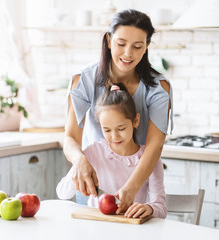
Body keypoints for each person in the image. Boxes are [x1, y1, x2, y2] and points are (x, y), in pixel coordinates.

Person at [63, 9, 173, 213]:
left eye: (137, 46)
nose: (128, 54)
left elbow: (155, 146)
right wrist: (79, 160)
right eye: (121, 44)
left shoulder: (159, 88)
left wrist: (132, 187)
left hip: (137, 188)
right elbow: (70, 137)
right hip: (92, 185)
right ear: (108, 40)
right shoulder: (83, 81)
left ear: (147, 45)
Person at [58, 84, 167, 219]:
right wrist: (78, 168)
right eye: (107, 130)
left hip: (131, 228)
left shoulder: (149, 159)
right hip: (96, 227)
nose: (114, 137)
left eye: (121, 128)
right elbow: (62, 194)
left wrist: (149, 208)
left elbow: (161, 208)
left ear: (136, 121)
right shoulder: (93, 153)